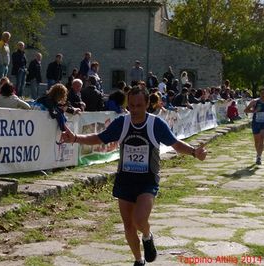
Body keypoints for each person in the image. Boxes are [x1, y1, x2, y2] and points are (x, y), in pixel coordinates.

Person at [60, 86, 207, 266]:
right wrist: (75, 138)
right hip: (125, 180)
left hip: (147, 180)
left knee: (139, 219)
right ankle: (138, 260)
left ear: (147, 104)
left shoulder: (155, 124)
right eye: (131, 106)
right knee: (128, 225)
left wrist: (194, 152)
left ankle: (147, 236)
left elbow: (175, 144)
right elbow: (99, 138)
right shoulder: (122, 123)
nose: (135, 110)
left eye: (139, 105)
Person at [244, 87, 264, 165]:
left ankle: (259, 157)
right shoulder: (255, 102)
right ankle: (258, 154)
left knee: (262, 138)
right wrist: (254, 111)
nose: (263, 95)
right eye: (262, 93)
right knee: (257, 141)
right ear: (260, 93)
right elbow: (246, 110)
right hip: (256, 123)